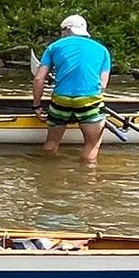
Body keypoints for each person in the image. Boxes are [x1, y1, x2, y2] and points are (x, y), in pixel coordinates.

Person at [31, 14, 114, 165]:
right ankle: (86, 182)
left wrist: (37, 106)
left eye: (61, 30)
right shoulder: (102, 50)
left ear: (68, 30)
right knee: (92, 144)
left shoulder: (54, 47)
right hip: (89, 100)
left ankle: (47, 172)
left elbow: (38, 79)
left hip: (61, 100)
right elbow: (102, 85)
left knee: (51, 143)